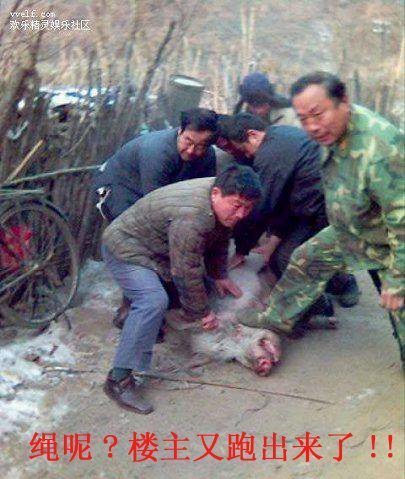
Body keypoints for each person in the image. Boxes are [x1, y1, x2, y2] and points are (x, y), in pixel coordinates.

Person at [241, 71, 405, 362]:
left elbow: (402, 220)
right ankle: (276, 319)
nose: (312, 127)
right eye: (304, 119)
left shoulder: (381, 148)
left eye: (317, 114)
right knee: (307, 258)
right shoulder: (335, 132)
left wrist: (397, 279)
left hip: (391, 240)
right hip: (355, 226)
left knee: (398, 305)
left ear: (343, 101)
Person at [101, 165, 263, 413]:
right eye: (237, 206)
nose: (241, 214)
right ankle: (118, 379)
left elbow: (220, 238)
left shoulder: (221, 197)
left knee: (202, 289)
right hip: (125, 248)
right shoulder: (193, 217)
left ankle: (129, 312)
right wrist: (201, 313)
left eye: (247, 208)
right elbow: (185, 270)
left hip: (156, 248)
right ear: (216, 193)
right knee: (153, 301)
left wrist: (219, 275)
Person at [218, 113, 359, 322]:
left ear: (253, 135)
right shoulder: (280, 135)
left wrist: (241, 249)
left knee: (289, 257)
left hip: (329, 209)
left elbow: (262, 207)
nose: (247, 156)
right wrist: (272, 241)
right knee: (284, 254)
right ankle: (328, 293)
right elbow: (285, 202)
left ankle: (325, 299)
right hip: (315, 205)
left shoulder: (270, 155)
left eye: (244, 149)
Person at [93, 108, 218, 328]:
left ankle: (159, 297)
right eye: (188, 141)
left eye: (200, 146)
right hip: (120, 188)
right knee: (143, 244)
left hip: (157, 192)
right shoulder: (157, 152)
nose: (191, 150)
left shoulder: (208, 157)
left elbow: (203, 197)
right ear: (180, 131)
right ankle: (131, 309)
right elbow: (155, 213)